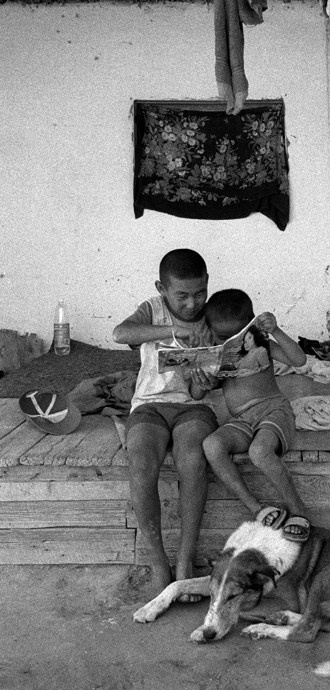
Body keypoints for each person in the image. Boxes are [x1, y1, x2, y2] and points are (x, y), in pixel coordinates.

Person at [113, 249, 217, 597]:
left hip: (191, 408)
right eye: (182, 295)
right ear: (162, 288)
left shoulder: (211, 318)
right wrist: (170, 330)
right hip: (150, 406)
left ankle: (185, 560)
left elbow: (202, 393)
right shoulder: (152, 309)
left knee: (193, 460)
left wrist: (203, 378)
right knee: (140, 462)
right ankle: (159, 564)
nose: (192, 303)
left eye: (199, 293)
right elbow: (119, 333)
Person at [193, 289, 311, 542]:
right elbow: (197, 394)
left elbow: (299, 360)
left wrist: (275, 331)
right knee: (211, 445)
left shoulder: (261, 345)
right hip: (241, 420)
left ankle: (298, 509)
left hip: (272, 409)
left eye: (235, 336)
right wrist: (201, 380)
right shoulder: (212, 352)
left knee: (259, 451)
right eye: (222, 336)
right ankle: (257, 508)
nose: (228, 341)